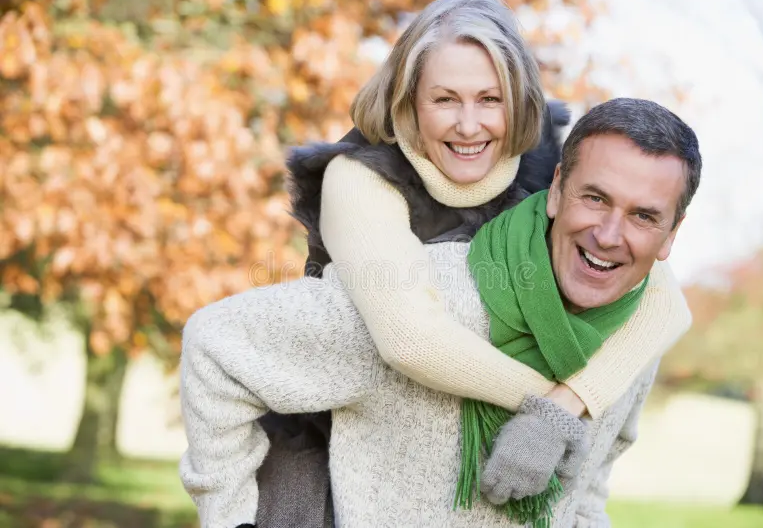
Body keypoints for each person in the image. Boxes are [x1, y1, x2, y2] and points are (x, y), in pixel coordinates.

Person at [179, 96, 701, 528]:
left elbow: (585, 492)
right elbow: (215, 346)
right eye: (594, 198)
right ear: (557, 190)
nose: (609, 236)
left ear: (670, 236)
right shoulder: (429, 291)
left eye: (643, 216)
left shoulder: (633, 337)